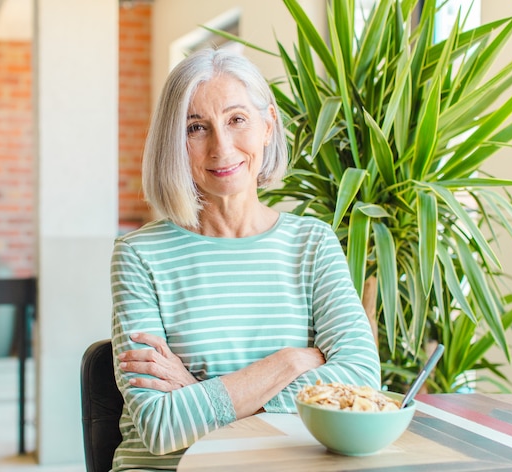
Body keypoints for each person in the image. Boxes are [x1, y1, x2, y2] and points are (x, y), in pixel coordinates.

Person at [110, 47, 381, 471]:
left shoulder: (312, 243)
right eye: (196, 127)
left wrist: (199, 392)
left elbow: (362, 380)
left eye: (237, 120)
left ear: (268, 125)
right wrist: (290, 361)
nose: (222, 146)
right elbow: (161, 426)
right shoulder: (139, 255)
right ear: (174, 143)